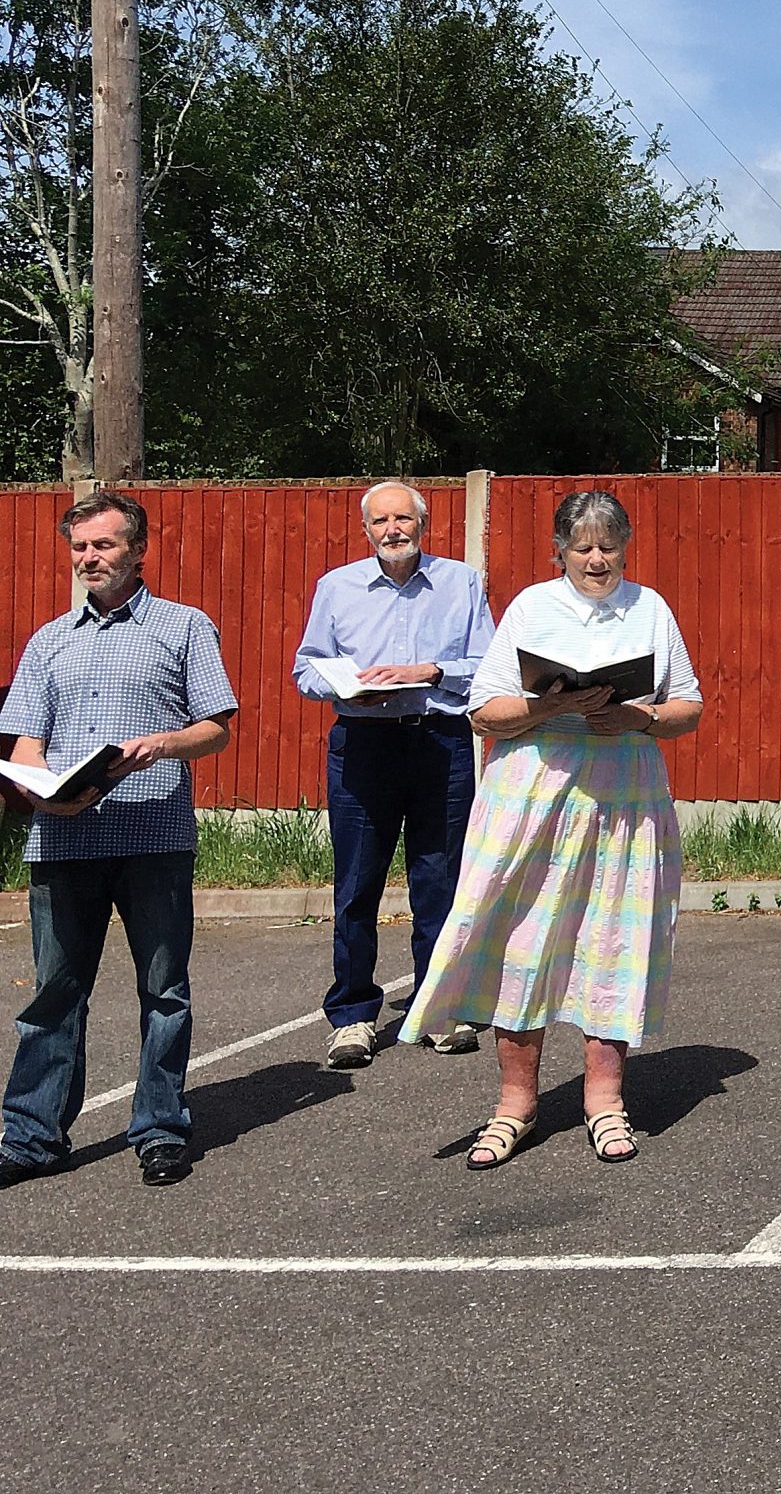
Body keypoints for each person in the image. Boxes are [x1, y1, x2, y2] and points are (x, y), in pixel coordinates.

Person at [402, 491, 703, 1169]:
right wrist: (548, 705)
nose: (596, 560)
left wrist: (641, 719)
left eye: (608, 546)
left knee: (613, 940)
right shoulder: (533, 609)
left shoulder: (650, 608)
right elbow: (484, 712)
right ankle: (516, 1103)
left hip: (623, 801)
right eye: (582, 547)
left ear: (625, 547)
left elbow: (689, 707)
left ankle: (604, 1100)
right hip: (531, 799)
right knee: (523, 944)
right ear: (559, 551)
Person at [0, 493, 237, 1189]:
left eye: (103, 546)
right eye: (79, 548)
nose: (89, 559)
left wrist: (164, 742)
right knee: (53, 995)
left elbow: (218, 724)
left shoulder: (185, 626)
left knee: (163, 990)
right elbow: (26, 742)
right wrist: (44, 789)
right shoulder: (49, 639)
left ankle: (160, 1129)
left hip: (154, 834)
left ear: (138, 551)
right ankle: (33, 1137)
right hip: (64, 840)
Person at [292, 481, 497, 1065]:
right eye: (380, 521)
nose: (392, 530)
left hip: (441, 743)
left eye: (402, 518)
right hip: (363, 743)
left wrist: (430, 670)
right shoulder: (337, 587)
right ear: (366, 529)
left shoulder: (460, 582)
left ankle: (436, 1008)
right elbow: (306, 669)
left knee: (440, 881)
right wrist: (348, 688)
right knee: (357, 884)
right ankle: (353, 1014)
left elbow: (487, 664)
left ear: (423, 523)